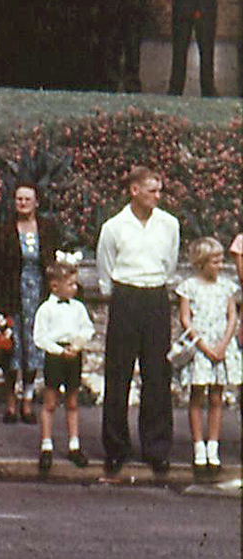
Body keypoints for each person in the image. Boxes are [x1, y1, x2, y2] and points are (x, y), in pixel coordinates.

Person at [96, 166, 179, 476]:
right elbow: (105, 267)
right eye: (152, 190)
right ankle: (116, 448)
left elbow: (169, 263)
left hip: (156, 297)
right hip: (125, 299)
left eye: (159, 190)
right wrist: (118, 293)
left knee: (158, 374)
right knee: (118, 374)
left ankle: (157, 448)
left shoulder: (169, 225)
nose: (158, 196)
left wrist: (156, 286)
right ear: (134, 190)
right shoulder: (114, 227)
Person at [0, 182, 61, 424]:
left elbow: (56, 262)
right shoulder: (3, 230)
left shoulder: (47, 229)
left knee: (32, 349)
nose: (23, 203)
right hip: (10, 295)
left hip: (38, 296)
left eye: (27, 199)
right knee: (11, 349)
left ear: (36, 202)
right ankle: (10, 401)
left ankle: (27, 400)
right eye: (19, 199)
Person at [176, 237, 241, 480]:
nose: (220, 265)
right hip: (200, 347)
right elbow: (185, 319)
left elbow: (232, 316)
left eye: (221, 260)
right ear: (202, 263)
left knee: (217, 397)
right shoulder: (188, 287)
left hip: (221, 346)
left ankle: (213, 448)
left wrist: (223, 343)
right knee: (197, 396)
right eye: (215, 261)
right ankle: (198, 449)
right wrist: (203, 345)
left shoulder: (227, 287)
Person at [33, 258, 95, 476]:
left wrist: (78, 344)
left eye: (75, 284)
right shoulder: (46, 309)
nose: (75, 288)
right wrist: (60, 351)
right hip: (56, 356)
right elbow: (39, 338)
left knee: (72, 401)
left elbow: (87, 329)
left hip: (73, 355)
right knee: (50, 402)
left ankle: (74, 445)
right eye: (70, 284)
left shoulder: (78, 308)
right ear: (55, 286)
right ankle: (46, 445)